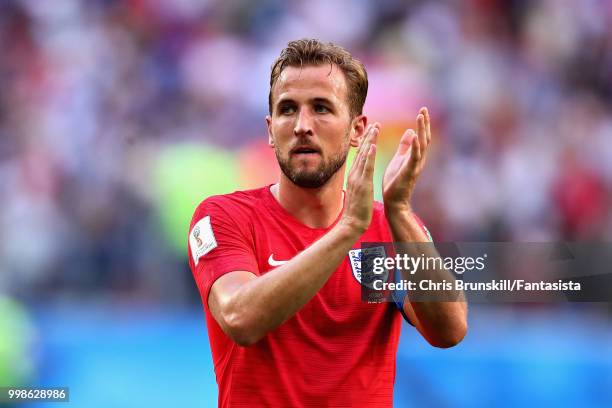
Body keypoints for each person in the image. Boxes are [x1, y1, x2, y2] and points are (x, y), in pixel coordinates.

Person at [188, 38, 468, 407]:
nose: (303, 125)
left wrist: (398, 210)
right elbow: (241, 317)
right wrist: (348, 229)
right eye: (288, 110)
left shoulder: (387, 230)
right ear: (271, 130)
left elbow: (449, 330)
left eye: (321, 108)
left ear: (357, 129)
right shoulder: (226, 217)